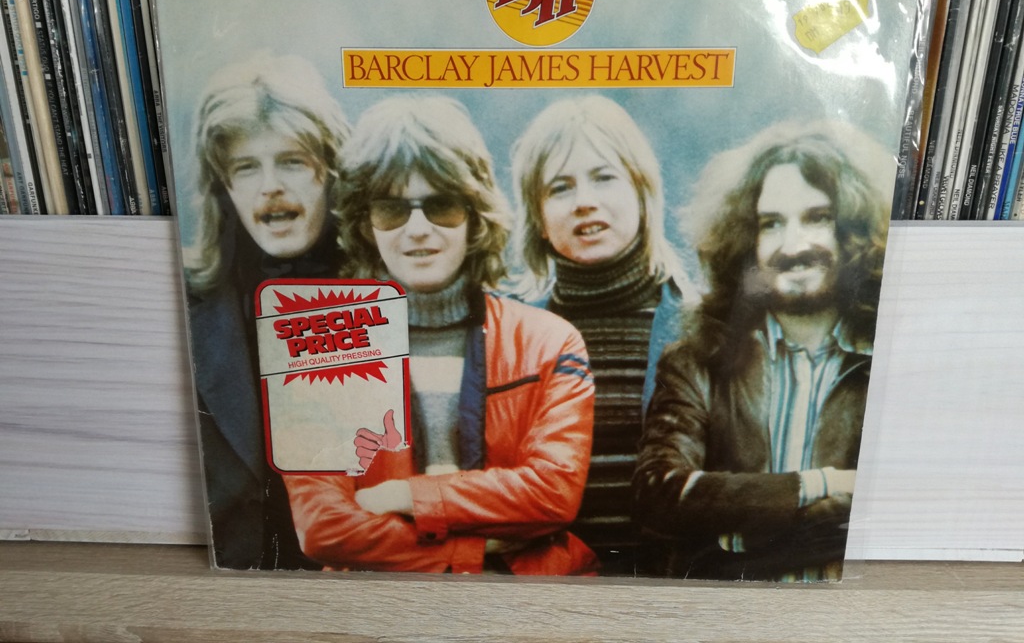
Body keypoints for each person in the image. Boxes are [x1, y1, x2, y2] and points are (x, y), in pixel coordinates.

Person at [284, 95, 597, 575]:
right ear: (366, 224)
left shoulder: (551, 343)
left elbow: (552, 493)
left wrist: (406, 495)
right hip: (381, 604)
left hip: (525, 598)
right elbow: (323, 527)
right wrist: (471, 550)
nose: (417, 229)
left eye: (441, 206)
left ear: (474, 217)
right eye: (391, 209)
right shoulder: (319, 348)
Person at [633, 119, 893, 581]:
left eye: (817, 217)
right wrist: (822, 485)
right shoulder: (695, 363)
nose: (793, 245)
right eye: (771, 224)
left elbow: (911, 501)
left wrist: (739, 525)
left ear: (855, 227)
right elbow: (658, 495)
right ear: (745, 241)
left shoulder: (895, 360)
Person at [183, 52, 351, 570]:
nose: (270, 185)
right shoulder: (188, 303)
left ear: (332, 172)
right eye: (246, 167)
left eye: (293, 161)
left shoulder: (390, 288)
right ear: (224, 188)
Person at [510, 95, 691, 574]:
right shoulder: (511, 336)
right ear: (538, 218)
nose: (584, 201)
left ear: (642, 192)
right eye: (560, 187)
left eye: (604, 177)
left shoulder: (699, 327)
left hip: (669, 588)